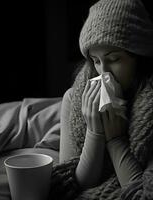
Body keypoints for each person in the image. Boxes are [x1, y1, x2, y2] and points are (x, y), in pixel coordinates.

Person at [49, 0, 153, 199]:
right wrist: (94, 131)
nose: (103, 71)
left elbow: (142, 193)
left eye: (114, 59)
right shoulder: (74, 98)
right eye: (96, 61)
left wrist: (115, 140)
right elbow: (75, 184)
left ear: (139, 57)